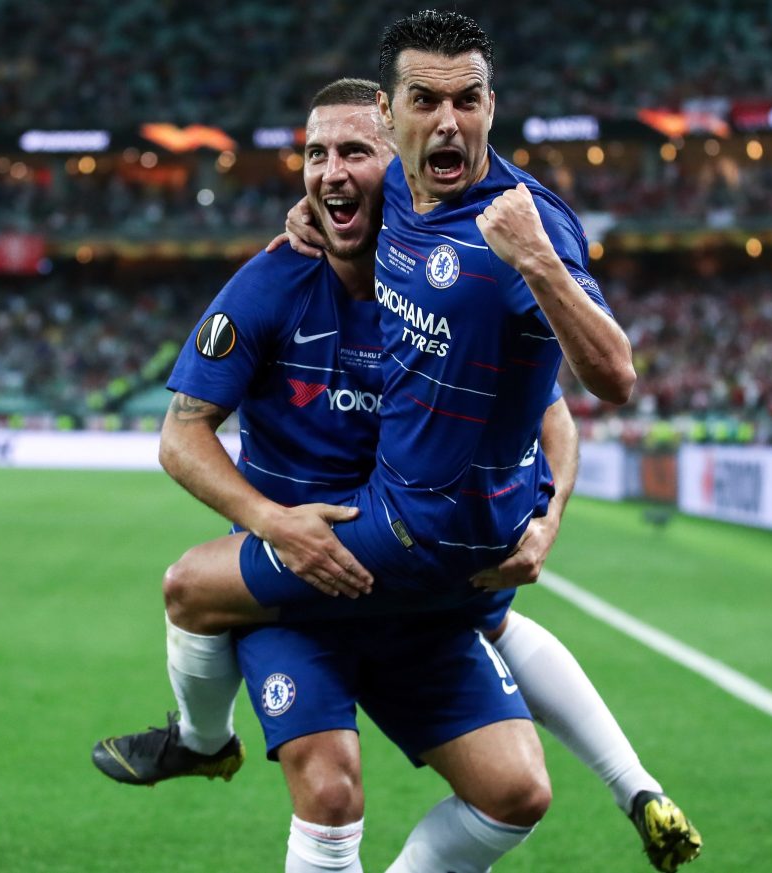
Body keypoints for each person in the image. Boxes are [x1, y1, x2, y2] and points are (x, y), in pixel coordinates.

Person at [96, 8, 704, 866]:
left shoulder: (471, 232)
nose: (334, 175)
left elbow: (562, 403)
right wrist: (275, 522)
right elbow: (180, 435)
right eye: (317, 158)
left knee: (518, 791)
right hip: (309, 564)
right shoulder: (289, 272)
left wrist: (549, 515)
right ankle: (202, 741)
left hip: (406, 563)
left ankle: (631, 781)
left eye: (353, 154)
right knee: (324, 773)